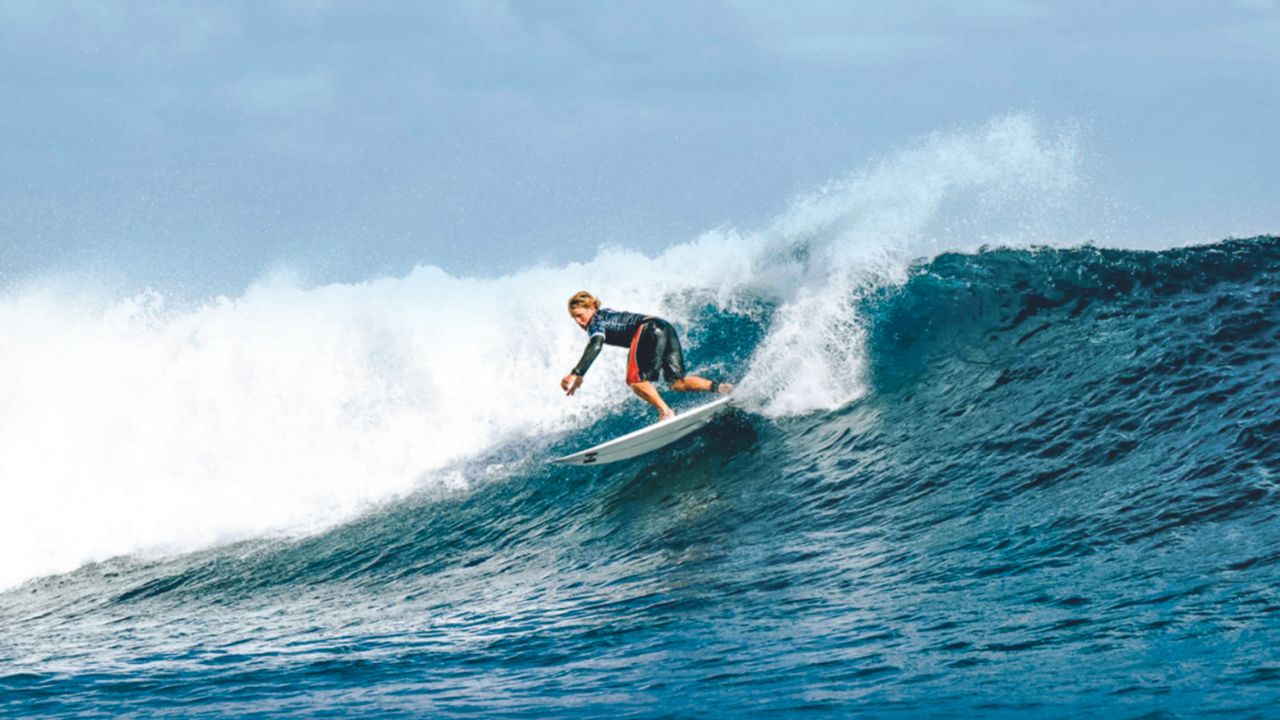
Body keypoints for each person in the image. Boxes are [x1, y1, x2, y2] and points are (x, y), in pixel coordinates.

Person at [561, 290, 733, 421]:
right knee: (678, 383)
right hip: (664, 326)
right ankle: (722, 388)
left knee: (635, 381)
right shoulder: (606, 313)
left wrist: (577, 372)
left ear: (591, 308)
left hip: (647, 329)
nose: (578, 321)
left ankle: (665, 412)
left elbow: (596, 344)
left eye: (579, 315)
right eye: (573, 318)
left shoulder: (595, 321)